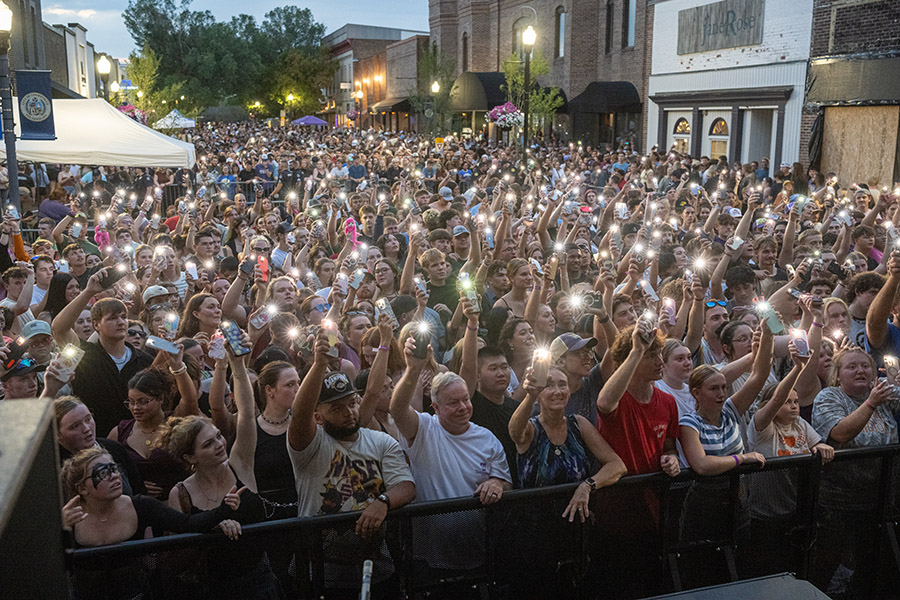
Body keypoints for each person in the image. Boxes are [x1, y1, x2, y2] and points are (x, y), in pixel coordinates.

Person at [287, 329, 416, 599]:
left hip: (375, 565)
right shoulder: (311, 446)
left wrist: (383, 502)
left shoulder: (380, 442)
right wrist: (320, 364)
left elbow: (406, 485)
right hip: (321, 570)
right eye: (336, 408)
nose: (349, 413)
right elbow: (299, 414)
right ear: (318, 417)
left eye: (352, 403)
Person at [390, 330, 511, 578]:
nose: (463, 407)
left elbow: (506, 482)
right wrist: (413, 369)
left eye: (466, 400)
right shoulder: (423, 428)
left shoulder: (487, 438)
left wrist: (497, 483)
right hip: (428, 561)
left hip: (478, 555)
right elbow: (398, 408)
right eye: (453, 403)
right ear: (435, 407)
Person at [60, 447, 245, 599]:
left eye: (114, 468)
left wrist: (222, 512)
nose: (114, 476)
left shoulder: (141, 505)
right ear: (82, 488)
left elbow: (187, 523)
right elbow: (45, 561)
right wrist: (60, 529)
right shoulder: (68, 517)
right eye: (102, 472)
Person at [810, 346, 900, 597]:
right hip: (839, 502)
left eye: (865, 366)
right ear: (838, 375)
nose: (860, 370)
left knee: (874, 565)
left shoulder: (884, 393)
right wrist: (871, 403)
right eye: (852, 366)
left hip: (880, 499)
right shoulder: (830, 396)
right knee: (827, 562)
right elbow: (839, 433)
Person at [51, 271, 153, 435]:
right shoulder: (84, 355)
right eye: (112, 318)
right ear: (96, 325)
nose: (120, 322)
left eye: (123, 317)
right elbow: (59, 328)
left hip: (137, 444)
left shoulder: (144, 360)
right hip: (94, 440)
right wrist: (89, 292)